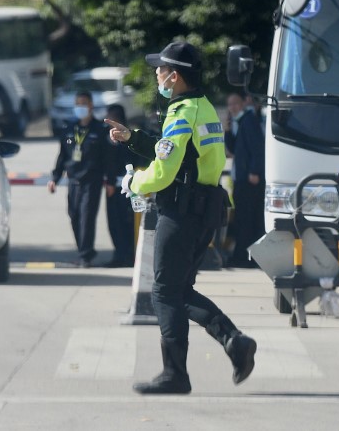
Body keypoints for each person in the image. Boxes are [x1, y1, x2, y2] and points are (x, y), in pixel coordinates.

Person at [106, 41, 257, 395]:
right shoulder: (201, 108)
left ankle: (176, 373)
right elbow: (178, 153)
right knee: (178, 290)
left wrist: (134, 181)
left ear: (174, 77)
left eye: (160, 70)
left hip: (181, 210)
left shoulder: (182, 112)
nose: (156, 74)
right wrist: (134, 139)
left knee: (163, 292)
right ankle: (234, 342)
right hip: (203, 209)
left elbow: (164, 171)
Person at [48, 91, 111, 268]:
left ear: (91, 105)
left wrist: (110, 179)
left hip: (92, 181)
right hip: (73, 181)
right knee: (74, 216)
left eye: (84, 103)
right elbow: (62, 157)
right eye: (78, 104)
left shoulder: (100, 130)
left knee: (86, 217)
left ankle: (86, 255)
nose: (80, 107)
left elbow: (107, 158)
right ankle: (83, 250)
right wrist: (55, 178)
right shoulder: (69, 129)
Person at [102, 103, 147, 267]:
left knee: (129, 222)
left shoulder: (130, 137)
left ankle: (130, 255)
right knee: (114, 223)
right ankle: (119, 254)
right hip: (112, 186)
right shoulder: (106, 138)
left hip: (129, 187)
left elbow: (135, 161)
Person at [224, 92, 265, 268]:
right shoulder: (241, 122)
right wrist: (226, 131)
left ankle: (244, 257)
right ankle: (243, 256)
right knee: (244, 218)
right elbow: (234, 149)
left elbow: (257, 147)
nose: (232, 108)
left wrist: (255, 171)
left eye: (235, 103)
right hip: (241, 178)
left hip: (249, 179)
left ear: (243, 104)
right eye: (229, 105)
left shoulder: (249, 120)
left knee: (247, 220)